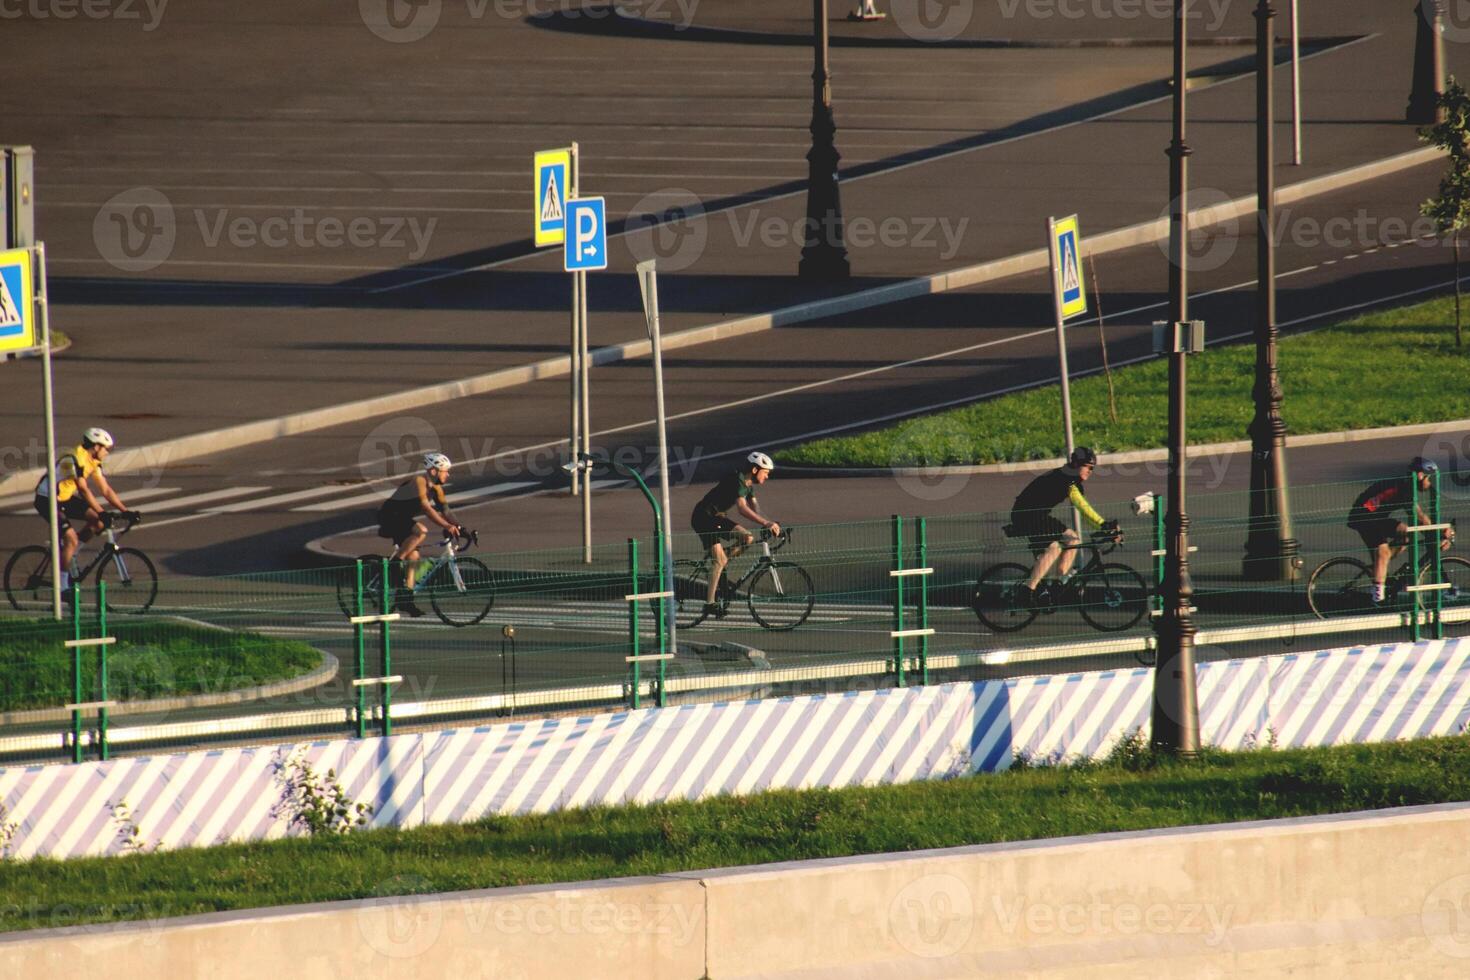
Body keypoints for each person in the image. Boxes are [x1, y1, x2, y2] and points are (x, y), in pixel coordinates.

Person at [1008, 446, 1119, 604]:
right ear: (1076, 464)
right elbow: (1083, 507)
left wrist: (1103, 525)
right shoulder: (1066, 479)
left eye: (1093, 468)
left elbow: (1083, 507)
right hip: (1027, 514)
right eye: (1088, 467)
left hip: (1036, 514)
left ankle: (1058, 584)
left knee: (1073, 539)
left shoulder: (1069, 478)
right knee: (1054, 548)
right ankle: (1028, 591)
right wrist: (1103, 525)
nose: (1091, 471)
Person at [32, 427, 138, 593]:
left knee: (97, 522)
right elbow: (83, 489)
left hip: (64, 498)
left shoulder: (93, 461)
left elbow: (106, 490)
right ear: (96, 447)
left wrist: (125, 511)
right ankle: (63, 587)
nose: (107, 453)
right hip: (47, 499)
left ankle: (71, 553)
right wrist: (102, 512)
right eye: (106, 449)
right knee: (71, 538)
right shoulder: (73, 458)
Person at [1347, 457, 1453, 604]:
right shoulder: (1405, 488)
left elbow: (1420, 522)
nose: (1430, 483)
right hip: (1364, 517)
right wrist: (1439, 533)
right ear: (1420, 476)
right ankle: (1378, 598)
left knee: (1408, 534)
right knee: (1383, 552)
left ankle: (1378, 568)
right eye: (1429, 478)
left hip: (1377, 517)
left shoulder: (1408, 485)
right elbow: (1420, 518)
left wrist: (1436, 533)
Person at [690, 451, 782, 619]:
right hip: (703, 517)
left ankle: (721, 563)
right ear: (755, 470)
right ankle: (709, 603)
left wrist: (772, 524)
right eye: (766, 472)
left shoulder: (748, 485)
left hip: (717, 517)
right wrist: (765, 523)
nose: (767, 476)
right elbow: (742, 508)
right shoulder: (737, 479)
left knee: (747, 538)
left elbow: (756, 509)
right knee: (720, 560)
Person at [375, 452, 463, 617]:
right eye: (445, 470)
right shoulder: (419, 482)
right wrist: (446, 525)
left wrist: (459, 527)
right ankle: (395, 562)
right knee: (421, 530)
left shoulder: (436, 488)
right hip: (389, 516)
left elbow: (446, 510)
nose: (448, 474)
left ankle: (406, 601)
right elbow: (426, 508)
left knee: (414, 560)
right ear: (434, 471)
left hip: (402, 520)